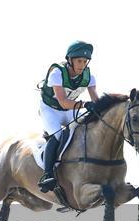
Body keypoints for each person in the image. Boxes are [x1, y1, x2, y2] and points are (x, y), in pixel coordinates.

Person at [37, 40, 99, 192]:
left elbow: (96, 100)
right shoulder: (57, 73)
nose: (82, 65)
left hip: (69, 111)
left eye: (85, 61)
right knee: (57, 136)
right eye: (79, 61)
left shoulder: (89, 77)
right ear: (70, 60)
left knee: (85, 131)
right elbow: (64, 103)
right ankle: (47, 175)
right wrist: (84, 105)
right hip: (51, 110)